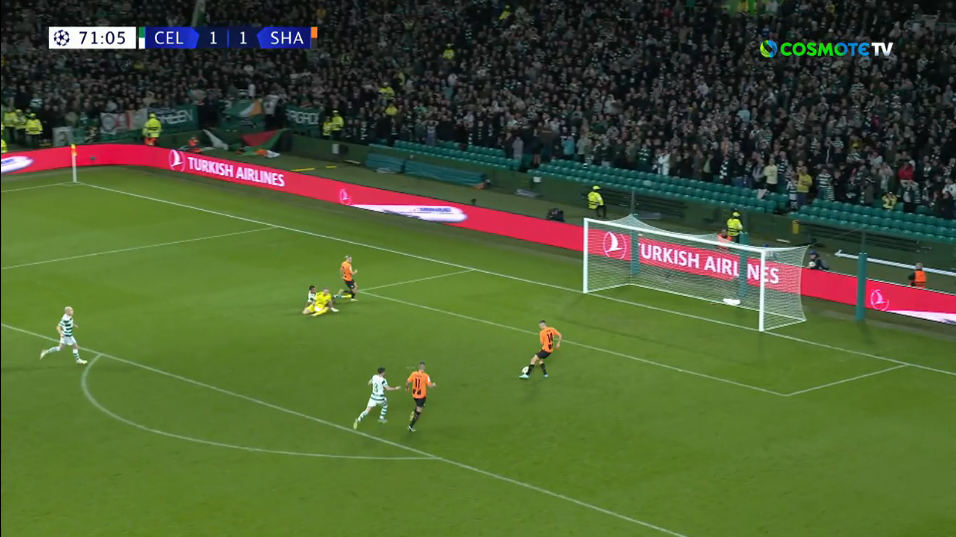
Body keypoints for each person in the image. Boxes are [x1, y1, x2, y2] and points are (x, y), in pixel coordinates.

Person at [406, 361, 436, 432]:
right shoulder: (425, 376)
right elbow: (430, 386)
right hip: (421, 396)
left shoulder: (413, 374)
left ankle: (417, 409)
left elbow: (407, 382)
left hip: (414, 395)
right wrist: (434, 385)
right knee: (418, 413)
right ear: (424, 367)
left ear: (418, 367)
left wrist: (407, 388)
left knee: (420, 405)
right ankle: (410, 426)